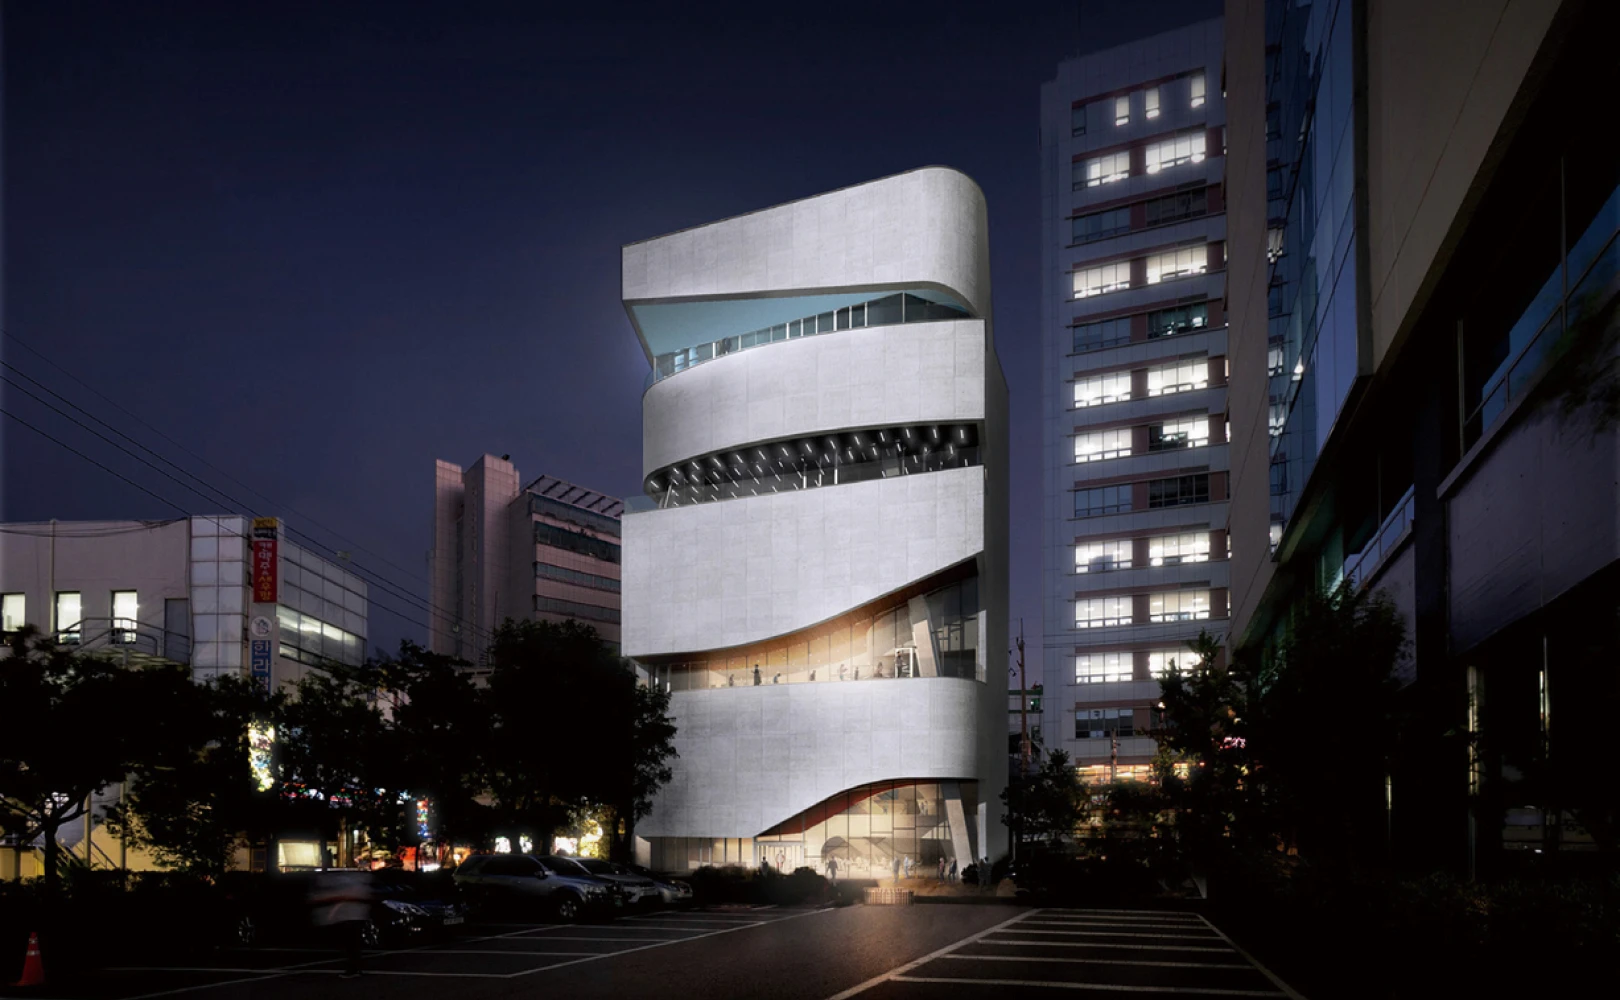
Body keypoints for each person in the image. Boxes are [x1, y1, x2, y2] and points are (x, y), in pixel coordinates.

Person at [309, 870, 374, 978]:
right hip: (355, 917)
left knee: (350, 944)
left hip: (348, 918)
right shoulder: (357, 884)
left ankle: (353, 969)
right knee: (353, 944)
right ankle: (355, 968)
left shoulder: (340, 886)